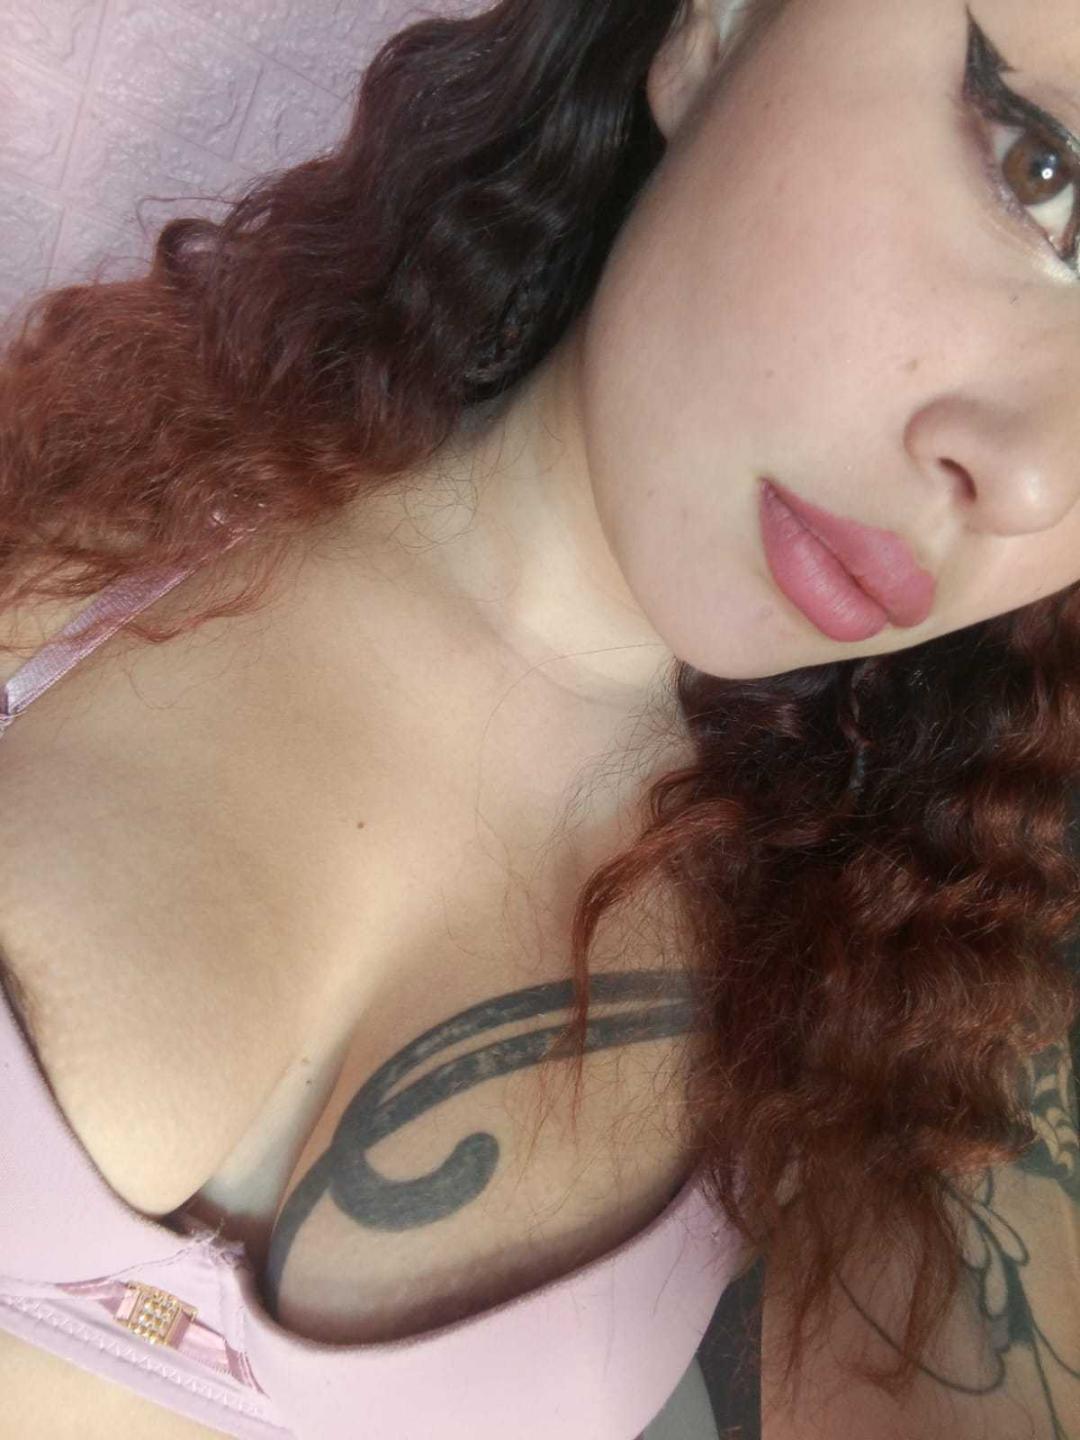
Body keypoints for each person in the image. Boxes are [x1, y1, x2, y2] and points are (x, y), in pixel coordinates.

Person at [0, 0, 1078, 1436]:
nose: (1032, 481)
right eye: (1041, 172)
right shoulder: (60, 542)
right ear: (718, 28)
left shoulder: (873, 1011)